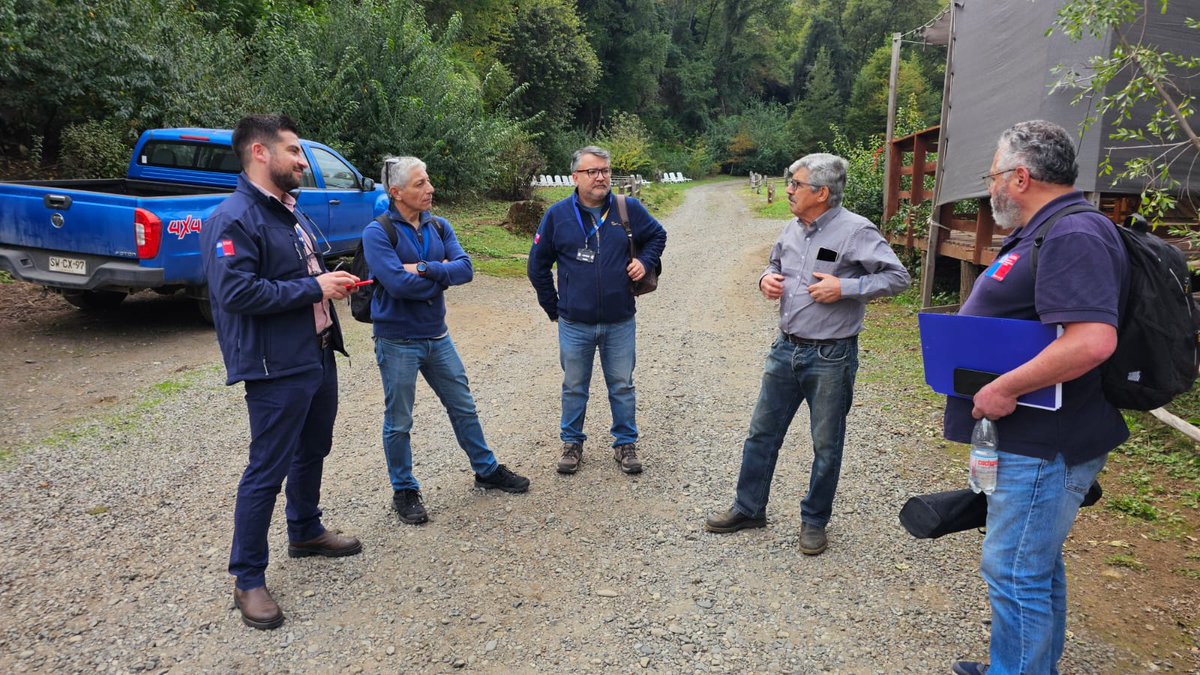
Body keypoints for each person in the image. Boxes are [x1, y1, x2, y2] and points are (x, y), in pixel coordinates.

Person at [946, 121, 1128, 675]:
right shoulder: (1042, 229)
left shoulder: (1074, 234)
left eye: (994, 174)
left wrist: (1004, 386)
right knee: (1034, 565)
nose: (990, 186)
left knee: (1014, 570)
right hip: (1028, 435)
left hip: (1046, 442)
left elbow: (1093, 340)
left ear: (1020, 177)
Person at [202, 114, 363, 631]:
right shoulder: (235, 218)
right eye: (293, 151)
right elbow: (236, 294)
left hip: (314, 350)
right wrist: (315, 289)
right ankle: (248, 579)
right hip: (276, 365)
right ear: (259, 153)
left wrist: (328, 276)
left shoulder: (285, 211)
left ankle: (305, 529)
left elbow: (294, 273)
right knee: (266, 469)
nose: (302, 161)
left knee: (313, 447)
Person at [704, 152, 910, 555]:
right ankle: (748, 508)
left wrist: (844, 289)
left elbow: (897, 277)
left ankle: (814, 521)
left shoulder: (856, 231)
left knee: (826, 444)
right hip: (786, 348)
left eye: (795, 184)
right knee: (761, 434)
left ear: (822, 192)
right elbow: (774, 261)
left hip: (831, 356)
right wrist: (766, 278)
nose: (789, 190)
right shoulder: (792, 227)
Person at [363, 156, 530, 526]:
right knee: (399, 420)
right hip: (397, 341)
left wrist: (424, 268)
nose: (430, 189)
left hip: (437, 337)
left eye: (428, 182)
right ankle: (404, 489)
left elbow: (466, 269)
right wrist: (441, 275)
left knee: (464, 406)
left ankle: (485, 470)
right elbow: (396, 284)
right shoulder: (378, 233)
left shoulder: (439, 226)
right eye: (420, 184)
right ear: (396, 192)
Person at [527, 146, 667, 475]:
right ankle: (572, 444)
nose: (601, 176)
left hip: (620, 319)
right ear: (575, 177)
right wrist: (554, 308)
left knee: (622, 385)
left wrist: (643, 262)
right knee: (574, 385)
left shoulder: (626, 208)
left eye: (605, 170)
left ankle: (625, 444)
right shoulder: (557, 216)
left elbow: (658, 235)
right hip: (575, 322)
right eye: (592, 171)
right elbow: (537, 267)